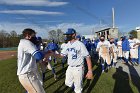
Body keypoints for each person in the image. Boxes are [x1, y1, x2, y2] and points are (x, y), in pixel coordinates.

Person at [54, 28, 93, 93]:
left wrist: (90, 71)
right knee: (67, 83)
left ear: (73, 35)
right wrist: (52, 54)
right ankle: (77, 87)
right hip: (70, 67)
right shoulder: (67, 44)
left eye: (68, 34)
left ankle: (78, 88)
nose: (67, 36)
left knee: (78, 89)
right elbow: (61, 55)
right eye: (66, 34)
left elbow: (87, 57)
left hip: (78, 67)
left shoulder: (80, 44)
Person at [17, 28, 51, 93]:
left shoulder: (25, 43)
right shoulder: (26, 42)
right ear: (28, 36)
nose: (35, 38)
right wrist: (46, 54)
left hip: (29, 73)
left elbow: (35, 58)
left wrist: (43, 58)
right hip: (26, 74)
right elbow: (39, 56)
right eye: (34, 36)